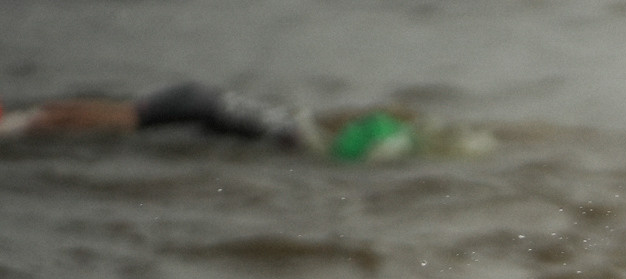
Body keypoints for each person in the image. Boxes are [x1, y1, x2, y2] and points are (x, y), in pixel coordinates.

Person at [0, 82, 414, 161]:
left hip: (197, 100)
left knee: (121, 115)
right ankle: (26, 122)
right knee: (122, 117)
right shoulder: (300, 141)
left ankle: (24, 120)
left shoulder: (297, 131)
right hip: (197, 103)